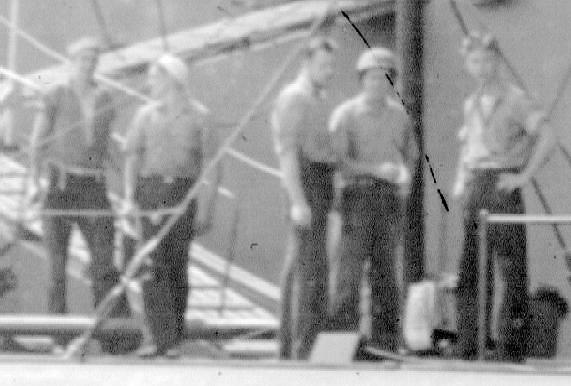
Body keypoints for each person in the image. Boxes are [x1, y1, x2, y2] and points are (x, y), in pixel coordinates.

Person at [451, 32, 555, 362]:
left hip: (502, 184)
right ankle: (469, 344)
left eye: (486, 60)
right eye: (474, 61)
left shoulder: (515, 99)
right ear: (468, 64)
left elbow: (548, 136)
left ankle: (510, 348)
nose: (481, 68)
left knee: (510, 269)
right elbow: (467, 146)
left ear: (497, 60)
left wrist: (523, 176)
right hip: (476, 184)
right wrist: (460, 180)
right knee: (470, 267)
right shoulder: (471, 103)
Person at [30, 37, 136, 353]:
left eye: (93, 60)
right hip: (60, 186)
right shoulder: (55, 95)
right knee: (56, 268)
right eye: (82, 59)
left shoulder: (105, 97)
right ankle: (58, 339)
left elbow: (110, 146)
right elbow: (38, 141)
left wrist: (129, 188)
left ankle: (113, 338)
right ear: (71, 62)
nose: (88, 65)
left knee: (105, 263)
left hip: (93, 187)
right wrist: (37, 184)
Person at [124, 53, 221, 358]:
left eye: (154, 77)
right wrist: (129, 197)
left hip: (183, 193)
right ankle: (159, 338)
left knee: (177, 264)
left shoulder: (200, 117)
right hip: (150, 192)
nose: (150, 84)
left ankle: (173, 337)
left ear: (171, 80)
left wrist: (206, 207)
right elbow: (132, 156)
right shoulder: (144, 116)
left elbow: (213, 165)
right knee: (152, 265)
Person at [327, 47, 416, 353]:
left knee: (387, 275)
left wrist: (403, 180)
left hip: (388, 200)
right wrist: (376, 169)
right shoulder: (346, 115)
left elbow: (411, 157)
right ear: (362, 80)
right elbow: (339, 161)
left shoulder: (399, 116)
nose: (378, 84)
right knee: (348, 276)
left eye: (385, 78)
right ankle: (340, 347)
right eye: (372, 78)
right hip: (357, 198)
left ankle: (386, 346)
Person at [271, 37, 337, 360]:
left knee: (306, 263)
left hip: (320, 182)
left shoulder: (317, 97)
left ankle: (295, 344)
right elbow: (287, 154)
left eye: (331, 65)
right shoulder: (294, 98)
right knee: (307, 266)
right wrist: (297, 200)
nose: (329, 71)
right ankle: (301, 347)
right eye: (323, 65)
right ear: (306, 63)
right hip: (305, 182)